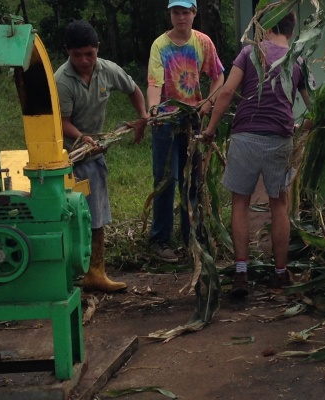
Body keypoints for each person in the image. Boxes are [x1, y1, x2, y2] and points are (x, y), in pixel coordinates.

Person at [203, 11, 310, 297]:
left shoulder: (250, 53)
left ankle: (241, 274)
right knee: (279, 205)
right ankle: (280, 272)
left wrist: (211, 129)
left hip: (246, 137)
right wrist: (300, 126)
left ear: (263, 26)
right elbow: (315, 109)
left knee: (241, 203)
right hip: (280, 140)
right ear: (292, 27)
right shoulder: (297, 59)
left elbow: (225, 93)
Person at [54, 20, 149, 292]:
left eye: (89, 54)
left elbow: (133, 90)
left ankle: (95, 271)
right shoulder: (62, 80)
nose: (84, 60)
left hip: (94, 152)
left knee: (94, 210)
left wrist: (142, 117)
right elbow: (63, 122)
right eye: (77, 55)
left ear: (97, 49)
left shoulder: (108, 70)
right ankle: (83, 270)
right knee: (77, 213)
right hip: (70, 154)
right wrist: (83, 136)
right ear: (68, 53)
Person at [143, 0, 225, 262]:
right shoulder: (160, 45)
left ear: (194, 14)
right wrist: (153, 111)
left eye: (185, 12)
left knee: (192, 181)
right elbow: (154, 83)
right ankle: (160, 240)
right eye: (175, 12)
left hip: (193, 119)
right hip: (166, 121)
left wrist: (207, 103)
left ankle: (193, 238)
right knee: (166, 180)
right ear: (170, 14)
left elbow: (219, 75)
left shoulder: (203, 43)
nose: (180, 17)